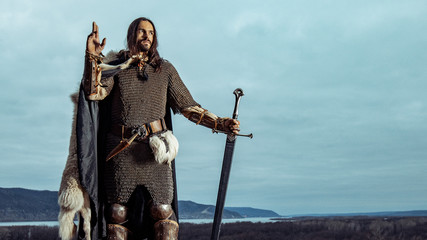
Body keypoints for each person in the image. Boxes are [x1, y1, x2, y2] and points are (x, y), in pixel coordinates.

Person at [60, 17, 240, 240]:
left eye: (151, 32)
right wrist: (93, 58)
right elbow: (94, 93)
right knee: (116, 214)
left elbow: (188, 107)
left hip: (155, 153)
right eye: (142, 31)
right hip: (120, 151)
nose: (147, 36)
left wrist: (220, 124)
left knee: (163, 213)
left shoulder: (165, 70)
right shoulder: (117, 66)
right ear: (131, 34)